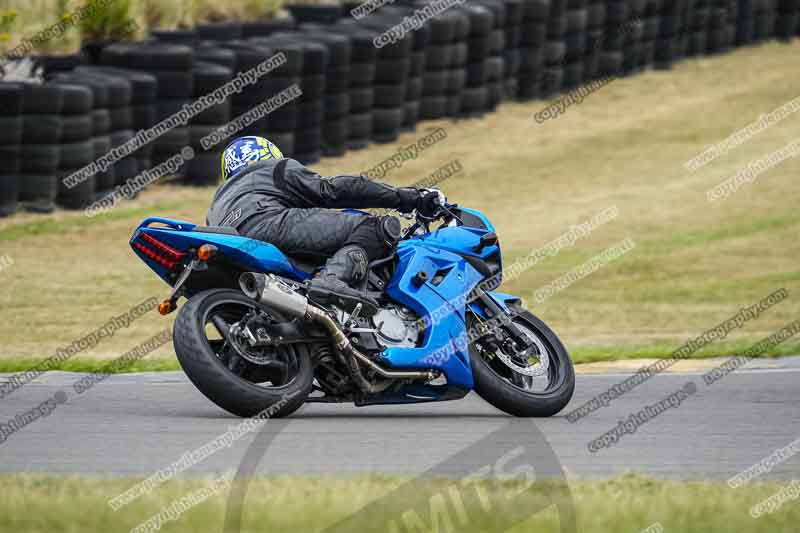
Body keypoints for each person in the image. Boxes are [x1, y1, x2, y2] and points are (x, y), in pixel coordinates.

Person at [206, 136, 442, 310]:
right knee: (373, 227)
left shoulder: (216, 203)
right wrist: (407, 198)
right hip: (270, 224)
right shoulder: (274, 169)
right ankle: (332, 280)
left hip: (234, 245)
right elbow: (330, 191)